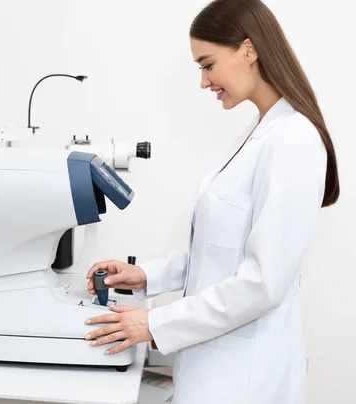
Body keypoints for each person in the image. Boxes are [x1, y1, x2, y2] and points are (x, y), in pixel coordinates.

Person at [84, 1, 339, 403]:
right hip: (212, 371)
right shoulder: (258, 132)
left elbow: (263, 283)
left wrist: (156, 322)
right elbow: (219, 255)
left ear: (249, 50)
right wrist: (147, 276)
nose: (204, 82)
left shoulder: (293, 140)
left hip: (245, 381)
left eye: (208, 64)